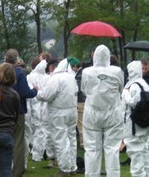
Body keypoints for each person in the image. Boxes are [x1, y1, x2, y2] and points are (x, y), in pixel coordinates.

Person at [0, 48, 38, 177]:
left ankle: (1, 172)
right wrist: (35, 90)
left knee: (1, 144)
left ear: (5, 58)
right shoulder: (19, 72)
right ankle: (17, 172)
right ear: (16, 60)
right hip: (17, 112)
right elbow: (25, 93)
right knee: (17, 143)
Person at [81, 44, 124, 177]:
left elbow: (84, 89)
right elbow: (121, 89)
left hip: (92, 113)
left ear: (94, 56)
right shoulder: (117, 71)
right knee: (112, 149)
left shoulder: (86, 72)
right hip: (113, 113)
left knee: (92, 149)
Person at [37, 58, 79, 177]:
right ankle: (72, 167)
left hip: (58, 113)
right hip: (72, 111)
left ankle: (64, 169)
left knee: (61, 140)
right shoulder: (71, 77)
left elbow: (47, 95)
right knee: (71, 139)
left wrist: (38, 93)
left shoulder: (55, 78)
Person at [122, 61, 149, 176]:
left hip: (134, 127)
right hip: (143, 125)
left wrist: (124, 93)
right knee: (144, 152)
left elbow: (132, 101)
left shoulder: (134, 86)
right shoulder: (144, 84)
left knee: (136, 154)